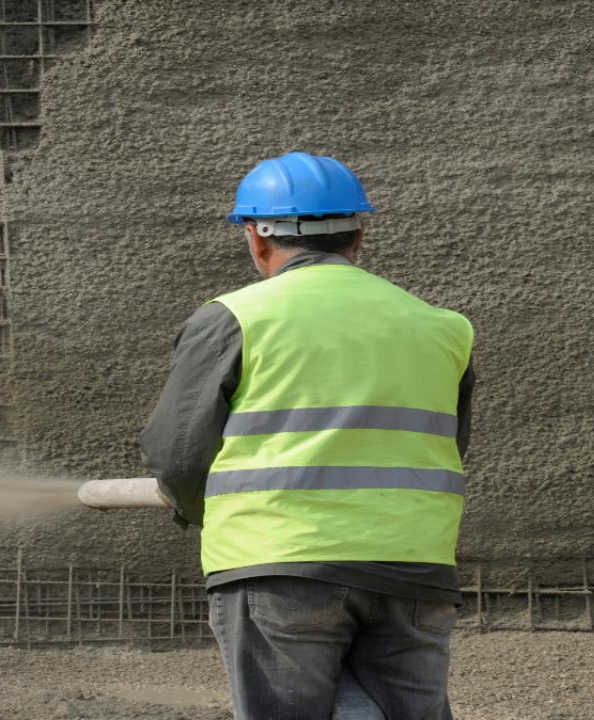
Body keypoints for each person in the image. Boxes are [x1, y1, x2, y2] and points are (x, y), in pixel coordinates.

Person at [139, 151, 476, 720]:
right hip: (414, 565)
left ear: (255, 237)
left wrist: (197, 509)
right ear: (358, 235)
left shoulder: (234, 318)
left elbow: (176, 453)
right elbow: (445, 444)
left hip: (279, 563)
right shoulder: (441, 326)